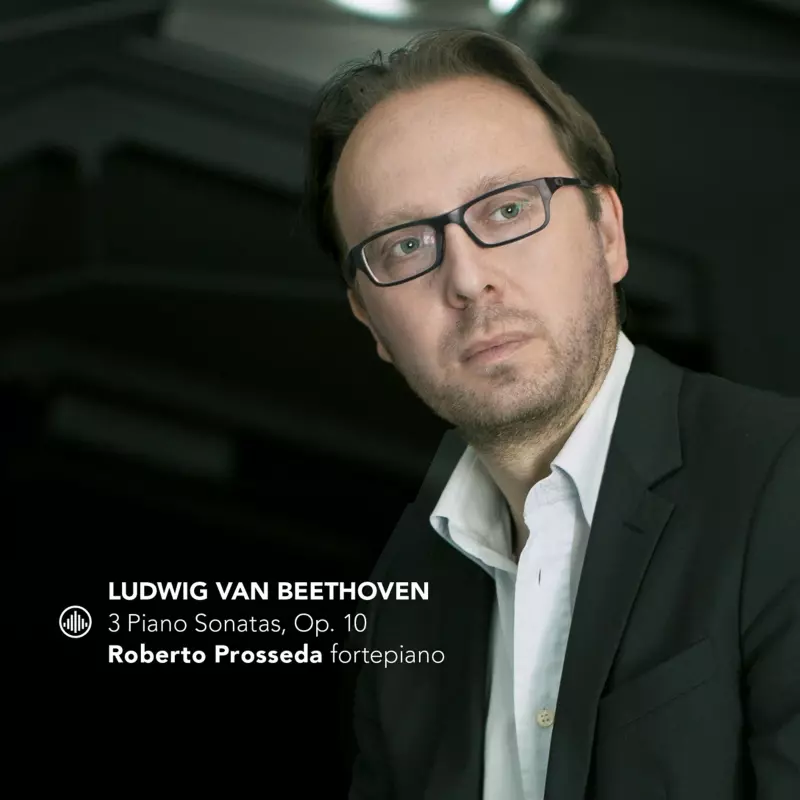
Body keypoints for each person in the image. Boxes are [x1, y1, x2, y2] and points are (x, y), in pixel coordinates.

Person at [302, 27, 800, 800]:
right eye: (404, 247)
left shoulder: (782, 481)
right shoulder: (402, 613)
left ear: (608, 234)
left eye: (507, 209)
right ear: (371, 322)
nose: (467, 278)